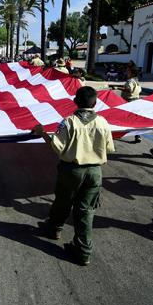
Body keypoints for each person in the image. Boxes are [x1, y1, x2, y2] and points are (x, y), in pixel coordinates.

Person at [33, 86, 115, 265]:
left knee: (63, 200)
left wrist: (41, 133)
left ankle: (54, 228)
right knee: (86, 210)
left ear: (74, 101)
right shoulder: (103, 122)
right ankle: (83, 250)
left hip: (72, 171)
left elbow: (57, 147)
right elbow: (109, 148)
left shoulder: (68, 122)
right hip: (94, 172)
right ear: (95, 103)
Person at [112, 67, 142, 142]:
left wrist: (118, 87)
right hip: (135, 101)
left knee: (121, 117)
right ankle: (138, 135)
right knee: (134, 118)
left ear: (133, 74)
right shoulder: (137, 81)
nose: (127, 74)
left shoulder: (130, 81)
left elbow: (129, 90)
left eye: (128, 72)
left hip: (128, 101)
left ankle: (117, 133)